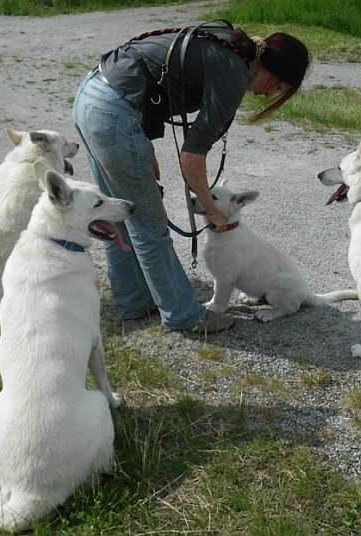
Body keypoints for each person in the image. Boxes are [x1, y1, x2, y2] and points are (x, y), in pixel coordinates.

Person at [72, 21, 309, 333]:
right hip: (115, 111)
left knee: (121, 212)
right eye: (278, 86)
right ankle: (184, 316)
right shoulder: (233, 73)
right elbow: (192, 158)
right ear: (270, 69)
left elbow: (154, 73)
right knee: (149, 226)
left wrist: (140, 142)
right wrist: (211, 209)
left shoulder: (228, 44)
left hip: (92, 97)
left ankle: (134, 302)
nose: (271, 94)